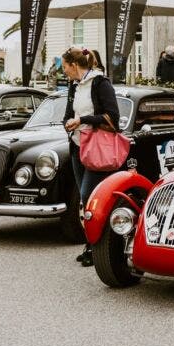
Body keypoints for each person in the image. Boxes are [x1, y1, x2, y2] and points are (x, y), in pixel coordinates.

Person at [61, 46, 122, 267]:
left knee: (90, 196)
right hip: (77, 146)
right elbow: (69, 112)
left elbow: (112, 116)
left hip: (97, 148)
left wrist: (83, 120)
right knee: (85, 200)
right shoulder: (74, 85)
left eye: (65, 66)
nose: (64, 71)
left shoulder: (100, 83)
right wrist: (67, 122)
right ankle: (91, 245)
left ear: (74, 65)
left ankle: (98, 247)